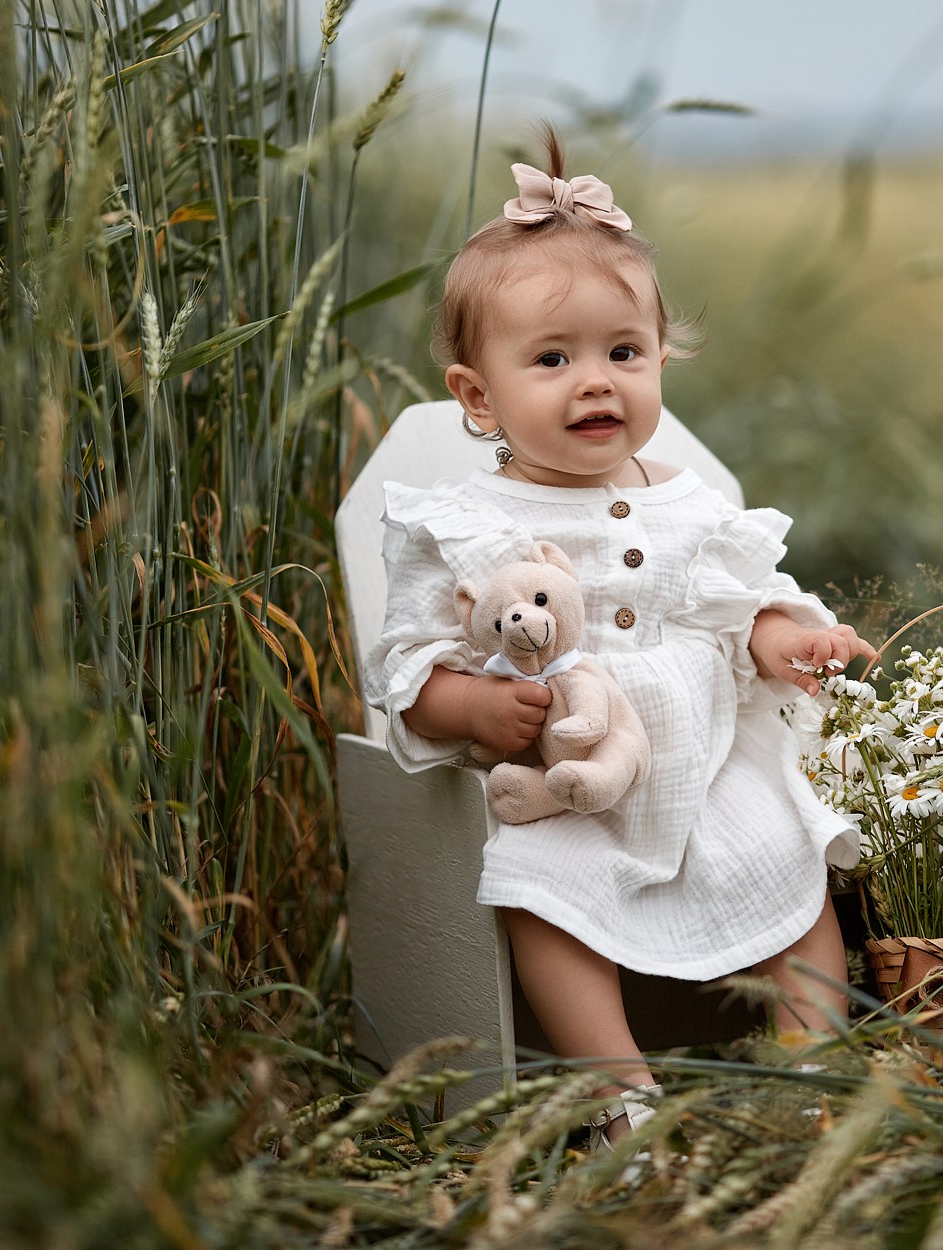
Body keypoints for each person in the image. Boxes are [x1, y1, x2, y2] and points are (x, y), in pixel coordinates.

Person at [369, 131, 874, 1144]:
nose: (595, 381)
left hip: (709, 759)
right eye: (552, 359)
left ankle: (805, 1066)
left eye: (622, 353)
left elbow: (736, 604)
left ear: (658, 360)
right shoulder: (463, 523)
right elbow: (407, 664)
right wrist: (473, 705)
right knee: (539, 897)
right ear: (478, 398)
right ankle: (618, 1094)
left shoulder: (685, 502)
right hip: (567, 779)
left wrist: (781, 635)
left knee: (792, 862)